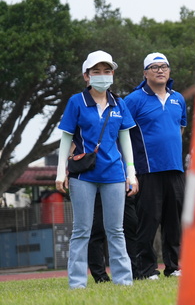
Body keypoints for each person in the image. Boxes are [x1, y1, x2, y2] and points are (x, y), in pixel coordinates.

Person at [55, 50, 139, 289]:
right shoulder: (76, 102)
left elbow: (125, 139)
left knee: (116, 230)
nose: (102, 75)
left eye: (107, 71)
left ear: (112, 74)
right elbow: (66, 138)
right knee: (81, 230)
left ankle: (124, 281)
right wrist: (60, 172)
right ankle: (77, 283)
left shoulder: (119, 103)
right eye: (96, 71)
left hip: (114, 174)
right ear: (86, 76)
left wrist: (131, 173)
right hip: (83, 175)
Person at [124, 52, 187, 279]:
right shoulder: (133, 100)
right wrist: (130, 170)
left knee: (174, 222)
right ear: (145, 73)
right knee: (148, 222)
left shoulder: (178, 99)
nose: (160, 70)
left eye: (164, 66)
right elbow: (122, 133)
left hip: (175, 169)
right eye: (154, 67)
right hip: (147, 170)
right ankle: (146, 269)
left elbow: (181, 127)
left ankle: (173, 266)